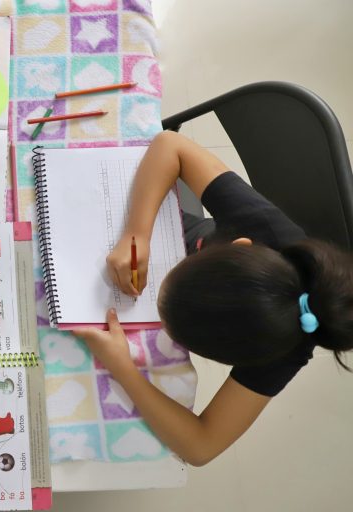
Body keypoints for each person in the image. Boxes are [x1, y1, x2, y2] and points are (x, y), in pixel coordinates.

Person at [74, 130, 353, 466]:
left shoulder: (281, 349)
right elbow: (170, 145)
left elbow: (201, 447)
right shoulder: (267, 230)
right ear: (240, 245)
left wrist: (122, 365)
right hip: (154, 232)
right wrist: (137, 234)